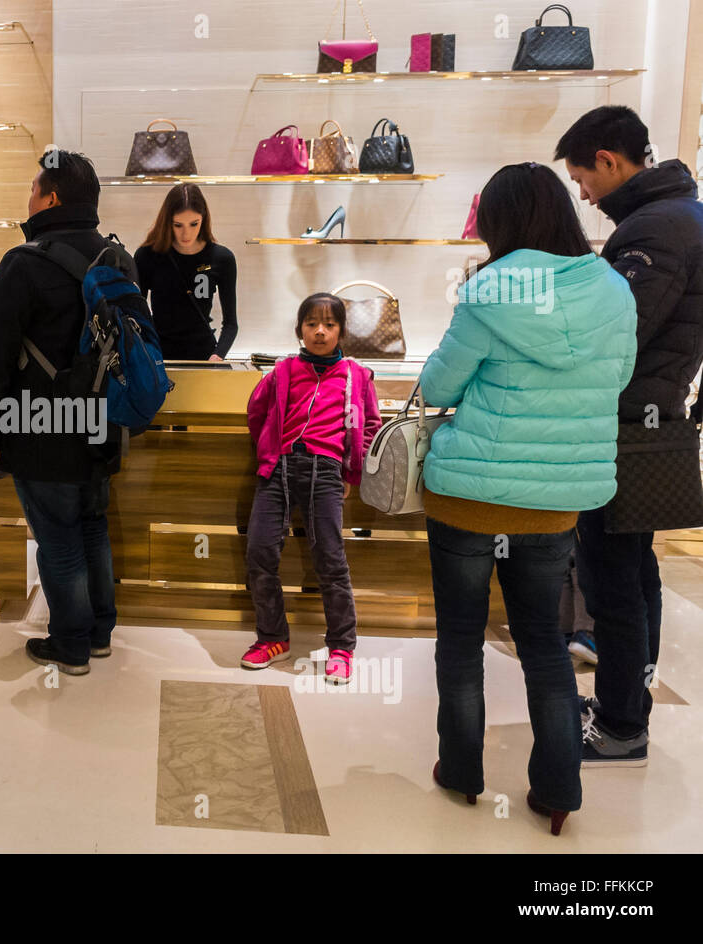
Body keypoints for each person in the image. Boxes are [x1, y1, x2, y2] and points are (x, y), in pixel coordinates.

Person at [419, 162, 637, 834]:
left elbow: (437, 388)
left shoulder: (491, 290)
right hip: (554, 503)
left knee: (460, 640)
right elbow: (619, 379)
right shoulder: (612, 289)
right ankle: (558, 788)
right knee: (544, 644)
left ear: (500, 221)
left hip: (469, 496)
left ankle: (460, 772)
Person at [555, 105, 703, 768]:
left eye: (583, 178)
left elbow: (616, 338)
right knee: (635, 571)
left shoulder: (652, 231)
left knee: (611, 576)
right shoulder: (680, 217)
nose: (583, 194)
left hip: (620, 422)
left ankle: (619, 725)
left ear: (610, 163)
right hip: (651, 417)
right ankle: (626, 705)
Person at [0, 149, 126, 675]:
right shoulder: (116, 257)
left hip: (40, 424)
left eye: (33, 188)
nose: (28, 197)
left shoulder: (25, 261)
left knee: (57, 536)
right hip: (102, 420)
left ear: (51, 198)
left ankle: (71, 645)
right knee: (91, 526)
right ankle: (99, 634)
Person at [242, 294, 380, 683]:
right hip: (278, 470)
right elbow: (257, 413)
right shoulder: (283, 372)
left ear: (341, 330)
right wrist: (269, 452)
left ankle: (341, 646)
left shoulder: (356, 374)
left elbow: (369, 425)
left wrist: (351, 474)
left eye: (330, 324)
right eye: (311, 324)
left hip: (326, 473)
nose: (320, 331)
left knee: (330, 560)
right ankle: (272, 638)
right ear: (299, 329)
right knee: (260, 551)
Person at [133, 183, 238, 361]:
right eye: (178, 225)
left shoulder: (222, 258)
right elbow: (136, 315)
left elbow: (230, 323)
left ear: (203, 219)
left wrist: (218, 355)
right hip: (158, 357)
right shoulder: (148, 256)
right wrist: (144, 351)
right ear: (168, 222)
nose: (186, 234)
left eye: (194, 224)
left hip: (203, 356)